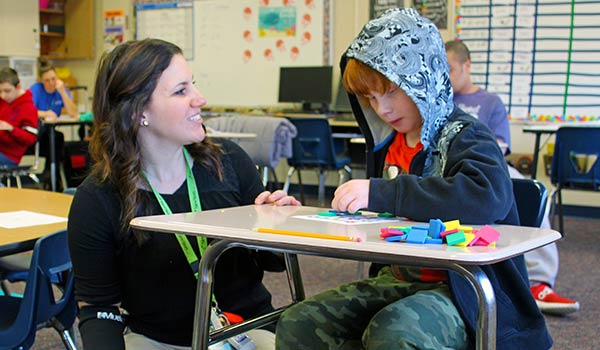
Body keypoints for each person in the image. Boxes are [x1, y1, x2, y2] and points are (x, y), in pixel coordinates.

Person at [275, 8, 552, 350]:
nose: (383, 109)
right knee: (298, 323)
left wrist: (383, 193)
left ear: (423, 78)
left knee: (393, 333)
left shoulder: (466, 136)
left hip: (464, 289)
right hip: (400, 277)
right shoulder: (388, 143)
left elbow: (487, 197)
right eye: (371, 98)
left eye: (392, 91)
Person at [67, 38, 301, 350]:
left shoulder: (228, 163)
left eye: (193, 85)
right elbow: (98, 308)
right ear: (138, 113)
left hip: (243, 330)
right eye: (181, 91)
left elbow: (273, 261)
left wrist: (280, 226)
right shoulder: (97, 199)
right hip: (157, 340)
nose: (200, 99)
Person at [446, 39, 580, 316]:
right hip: (447, 164)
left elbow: (500, 146)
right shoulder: (442, 100)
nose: (445, 77)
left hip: (487, 164)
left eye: (449, 69)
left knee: (532, 190)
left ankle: (537, 282)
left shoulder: (490, 102)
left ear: (466, 66)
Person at [0, 67, 38, 166]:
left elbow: (30, 139)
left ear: (18, 87)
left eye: (7, 91)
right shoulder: (3, 101)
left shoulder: (28, 108)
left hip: (9, 155)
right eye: (0, 91)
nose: (3, 95)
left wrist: (11, 129)